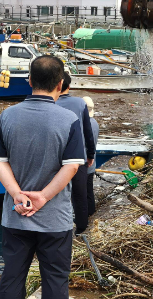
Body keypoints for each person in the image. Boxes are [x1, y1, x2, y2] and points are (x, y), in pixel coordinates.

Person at [0, 55, 85, 299]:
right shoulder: (69, 120)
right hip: (55, 219)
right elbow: (72, 167)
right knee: (54, 281)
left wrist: (16, 194)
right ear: (60, 83)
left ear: (29, 80)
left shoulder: (7, 116)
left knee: (12, 277)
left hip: (16, 215)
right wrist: (43, 196)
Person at [56, 72, 96, 234]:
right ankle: (81, 228)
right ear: (69, 86)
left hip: (57, 155)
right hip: (79, 156)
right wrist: (91, 154)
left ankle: (58, 227)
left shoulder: (53, 102)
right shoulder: (80, 104)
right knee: (80, 194)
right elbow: (88, 132)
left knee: (57, 193)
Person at [82, 96, 100, 218]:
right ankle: (91, 213)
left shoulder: (84, 124)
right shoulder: (95, 123)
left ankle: (84, 215)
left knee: (82, 193)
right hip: (91, 163)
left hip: (84, 163)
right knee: (89, 191)